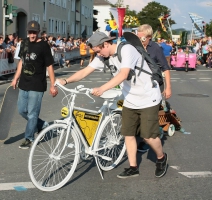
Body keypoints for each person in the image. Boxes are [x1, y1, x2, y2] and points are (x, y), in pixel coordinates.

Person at [57, 31, 168, 178]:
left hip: (148, 97)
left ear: (106, 44)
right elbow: (85, 71)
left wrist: (102, 88)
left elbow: (123, 74)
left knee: (148, 136)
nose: (99, 55)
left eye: (99, 51)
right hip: (130, 98)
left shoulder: (127, 49)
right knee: (128, 133)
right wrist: (65, 81)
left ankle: (161, 157)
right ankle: (133, 167)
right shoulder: (103, 56)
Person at [11, 21, 58, 149]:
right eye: (30, 32)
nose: (32, 35)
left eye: (34, 33)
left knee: (32, 113)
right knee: (21, 110)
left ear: (38, 33)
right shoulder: (24, 43)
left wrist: (53, 85)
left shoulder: (44, 46)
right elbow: (22, 61)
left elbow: (49, 66)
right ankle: (42, 124)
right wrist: (15, 78)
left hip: (37, 84)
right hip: (24, 83)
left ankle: (29, 138)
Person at [136, 24, 172, 152]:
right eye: (137, 35)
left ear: (149, 37)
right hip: (140, 85)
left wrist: (168, 88)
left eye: (141, 37)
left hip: (155, 84)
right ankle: (142, 137)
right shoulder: (136, 47)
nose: (139, 38)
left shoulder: (155, 48)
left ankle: (149, 139)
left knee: (150, 115)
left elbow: (165, 68)